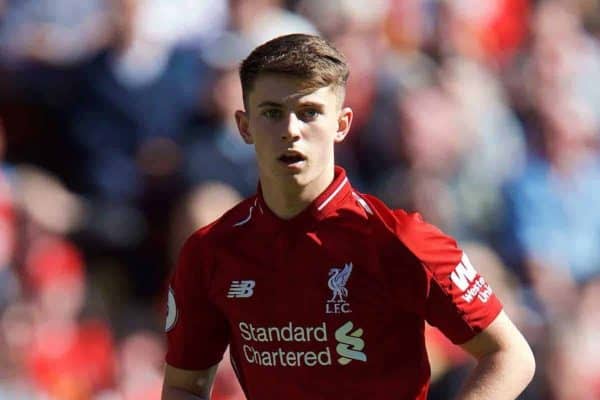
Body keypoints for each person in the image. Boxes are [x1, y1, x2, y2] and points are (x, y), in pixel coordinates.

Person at [161, 34, 535, 400]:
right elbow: (184, 385)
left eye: (309, 113)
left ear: (341, 124)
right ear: (244, 126)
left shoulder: (399, 240)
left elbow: (510, 356)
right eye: (272, 113)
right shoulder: (210, 252)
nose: (291, 131)